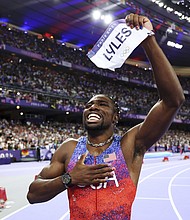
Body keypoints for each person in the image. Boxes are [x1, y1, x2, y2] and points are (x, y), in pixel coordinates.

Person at [27, 13, 185, 219]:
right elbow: (33, 194)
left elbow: (173, 100)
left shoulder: (130, 145)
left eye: (102, 105)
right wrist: (70, 178)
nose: (93, 108)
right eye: (89, 105)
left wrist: (148, 40)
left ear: (115, 117)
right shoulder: (70, 148)